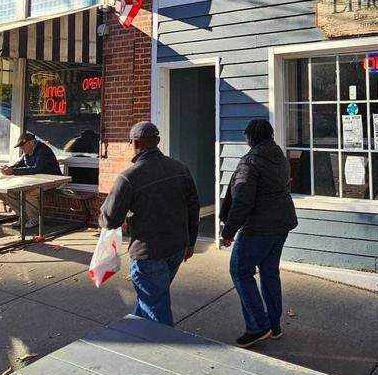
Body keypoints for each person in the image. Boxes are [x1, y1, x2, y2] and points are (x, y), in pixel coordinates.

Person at [100, 121, 199, 326]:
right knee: (153, 296)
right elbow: (193, 208)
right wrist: (190, 242)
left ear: (134, 143)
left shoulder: (128, 177)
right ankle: (135, 329)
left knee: (155, 305)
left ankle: (164, 349)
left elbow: (110, 220)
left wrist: (103, 216)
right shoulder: (180, 168)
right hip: (177, 247)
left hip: (149, 253)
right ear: (158, 141)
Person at [220, 119, 298, 348]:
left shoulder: (250, 162)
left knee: (240, 270)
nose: (245, 140)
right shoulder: (279, 156)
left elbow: (242, 200)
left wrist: (228, 230)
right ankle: (274, 326)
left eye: (246, 136)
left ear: (251, 137)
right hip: (281, 223)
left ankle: (257, 325)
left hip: (259, 227)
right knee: (269, 272)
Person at [0, 132, 60, 227]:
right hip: (38, 180)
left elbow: (37, 168)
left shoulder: (43, 150)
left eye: (23, 146)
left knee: (30, 193)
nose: (22, 149)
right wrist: (9, 168)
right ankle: (23, 216)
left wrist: (13, 171)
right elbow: (19, 164)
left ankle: (35, 219)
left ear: (31, 142)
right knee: (9, 192)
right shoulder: (27, 152)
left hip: (53, 180)